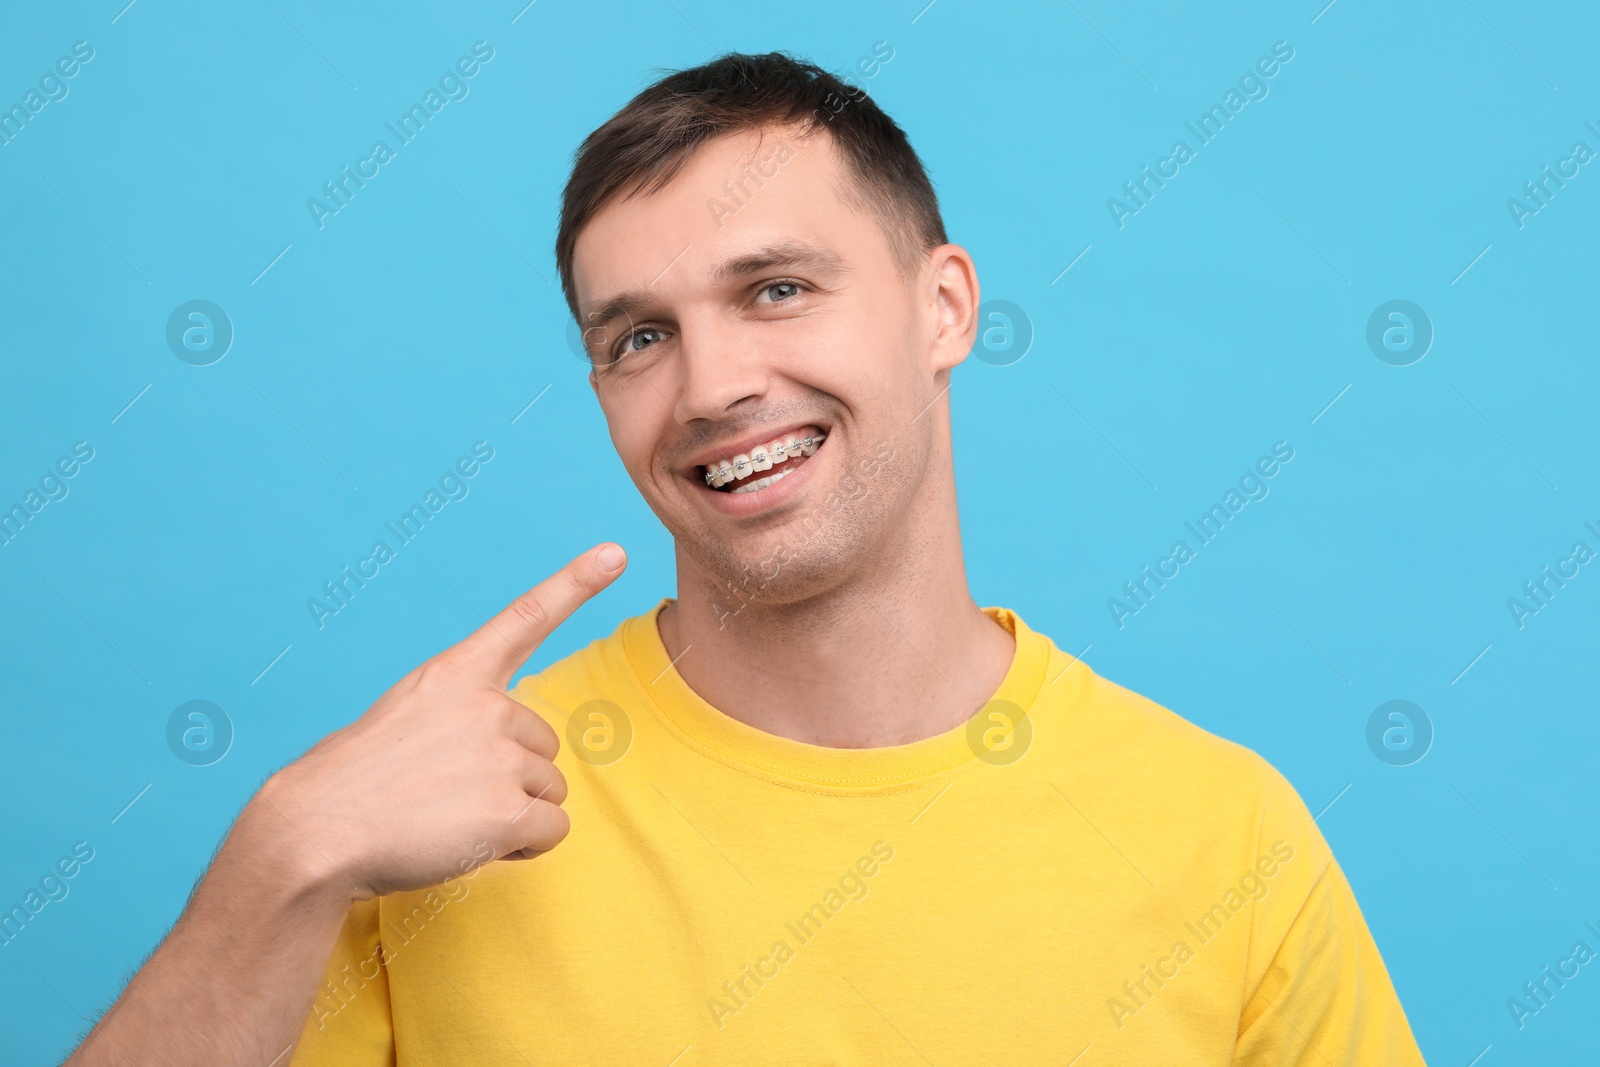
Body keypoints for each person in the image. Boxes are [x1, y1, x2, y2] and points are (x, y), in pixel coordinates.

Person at [63, 52, 1426, 1065]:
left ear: (944, 307)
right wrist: (284, 855)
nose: (711, 386)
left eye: (777, 289)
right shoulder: (432, 827)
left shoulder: (1224, 836)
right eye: (638, 337)